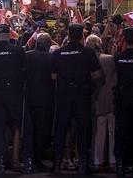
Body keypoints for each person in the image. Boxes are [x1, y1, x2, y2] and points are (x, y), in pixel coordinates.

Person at [51, 23, 102, 175]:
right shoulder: (88, 53)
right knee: (83, 130)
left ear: (68, 35)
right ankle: (83, 164)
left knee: (61, 130)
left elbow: (53, 76)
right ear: (82, 36)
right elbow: (97, 74)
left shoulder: (58, 53)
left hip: (64, 95)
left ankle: (56, 164)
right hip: (82, 94)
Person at [0, 24, 34, 174]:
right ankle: (27, 162)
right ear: (9, 33)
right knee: (23, 127)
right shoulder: (17, 50)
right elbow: (25, 70)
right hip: (15, 92)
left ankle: (0, 163)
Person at [113, 27, 133, 177]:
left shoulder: (118, 58)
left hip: (122, 101)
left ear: (125, 40)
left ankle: (120, 165)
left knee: (121, 132)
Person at [85, 34, 116, 172]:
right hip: (111, 100)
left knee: (98, 133)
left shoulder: (85, 60)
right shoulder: (109, 59)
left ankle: (97, 161)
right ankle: (113, 160)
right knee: (112, 133)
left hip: (95, 102)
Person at [25, 32, 54, 170]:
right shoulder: (51, 57)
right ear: (48, 45)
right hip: (46, 99)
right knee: (41, 130)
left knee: (30, 129)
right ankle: (38, 158)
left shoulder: (27, 56)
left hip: (29, 97)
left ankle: (29, 157)